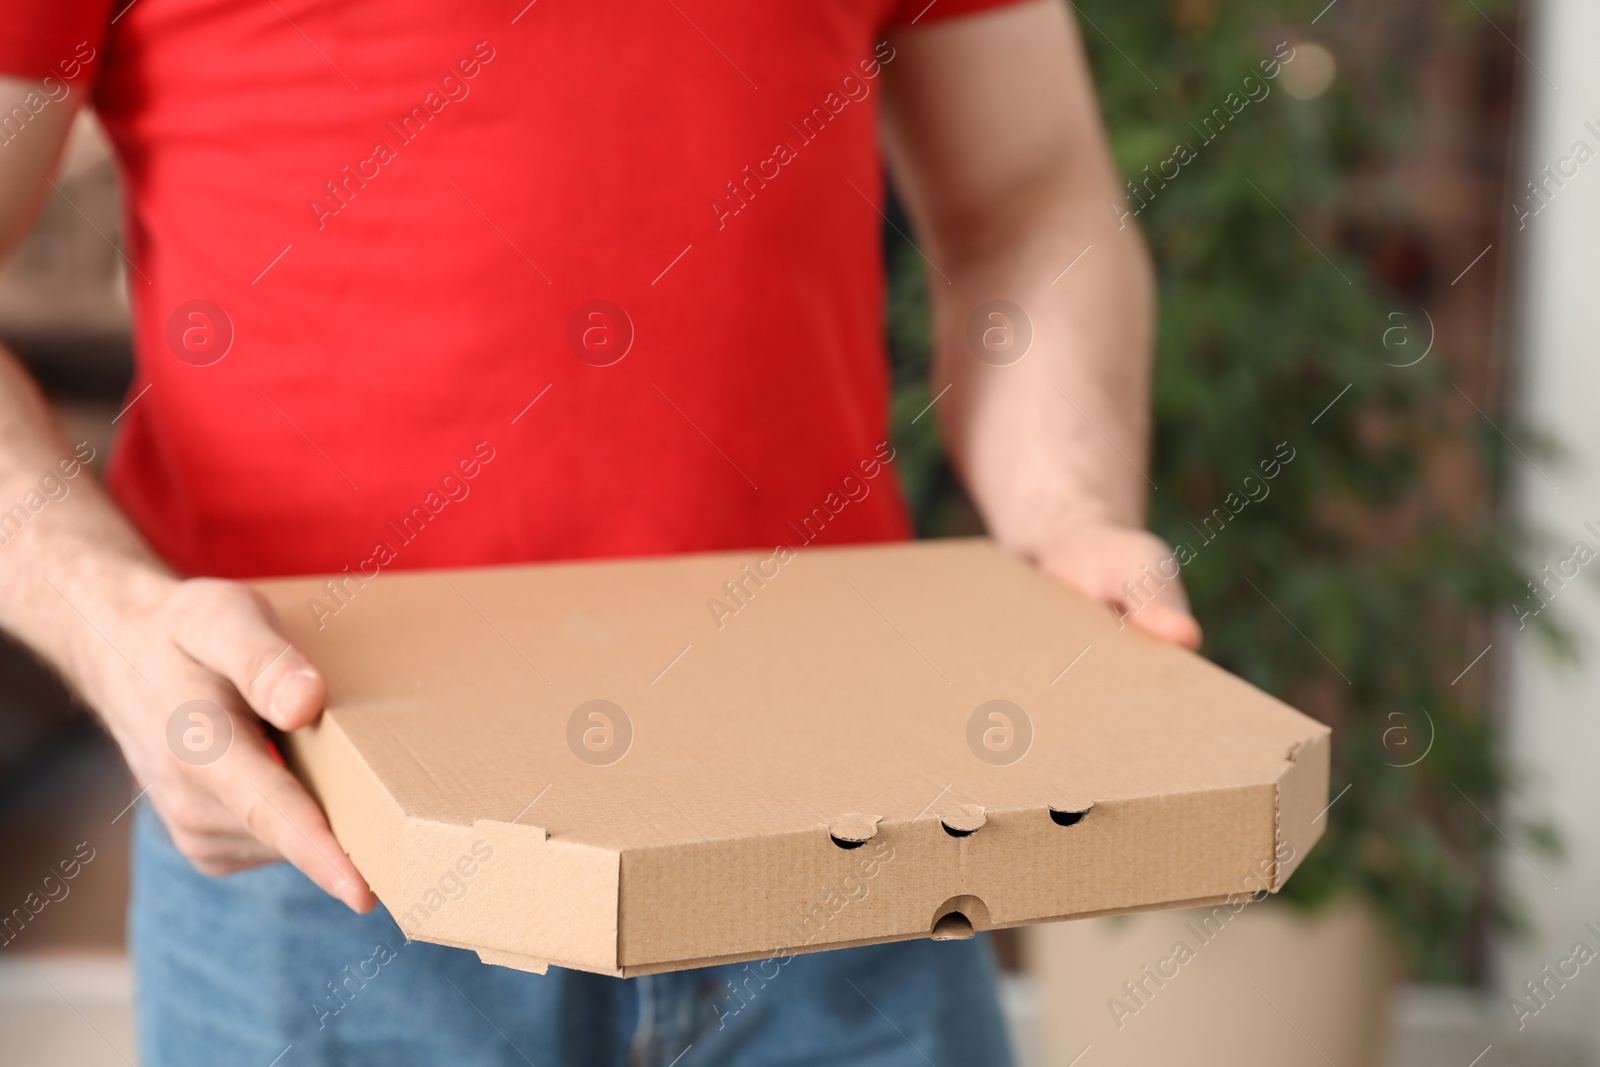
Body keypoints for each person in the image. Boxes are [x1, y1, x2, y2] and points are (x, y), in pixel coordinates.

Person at [0, 0, 1200, 1063]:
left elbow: (1028, 200)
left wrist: (1067, 514)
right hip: (333, 861)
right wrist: (112, 621)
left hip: (854, 840)